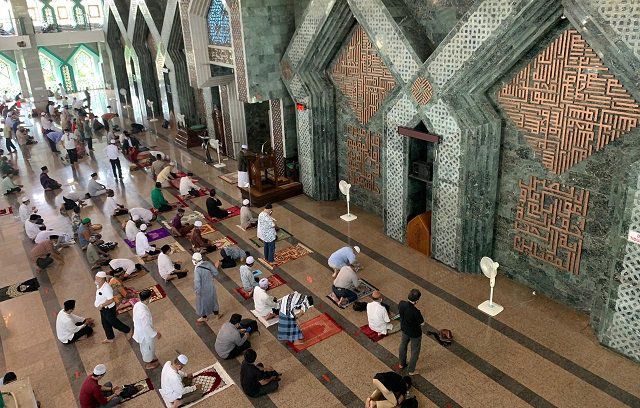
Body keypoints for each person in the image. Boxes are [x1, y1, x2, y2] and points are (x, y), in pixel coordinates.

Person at [94, 271, 131, 344]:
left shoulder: (106, 288)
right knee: (105, 323)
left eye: (97, 278)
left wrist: (101, 305)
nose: (95, 280)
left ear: (101, 279)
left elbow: (111, 300)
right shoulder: (99, 286)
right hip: (103, 309)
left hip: (108, 309)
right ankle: (110, 337)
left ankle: (128, 330)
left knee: (114, 322)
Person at [133, 289, 161, 370]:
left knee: (147, 348)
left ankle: (151, 358)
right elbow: (146, 327)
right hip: (145, 335)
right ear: (148, 298)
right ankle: (148, 364)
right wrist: (155, 334)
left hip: (140, 331)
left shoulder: (137, 304)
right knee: (147, 349)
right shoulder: (143, 313)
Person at [398, 289, 424, 375]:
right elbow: (422, 323)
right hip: (415, 333)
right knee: (415, 351)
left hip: (404, 329)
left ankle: (401, 364)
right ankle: (411, 370)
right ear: (417, 300)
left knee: (403, 345)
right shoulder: (416, 312)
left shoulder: (401, 303)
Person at [193, 252, 222, 324]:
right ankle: (217, 314)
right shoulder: (208, 263)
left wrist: (197, 291)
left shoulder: (197, 270)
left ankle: (204, 317)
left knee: (201, 304)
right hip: (211, 287)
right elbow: (216, 273)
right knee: (213, 301)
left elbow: (197, 282)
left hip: (202, 290)